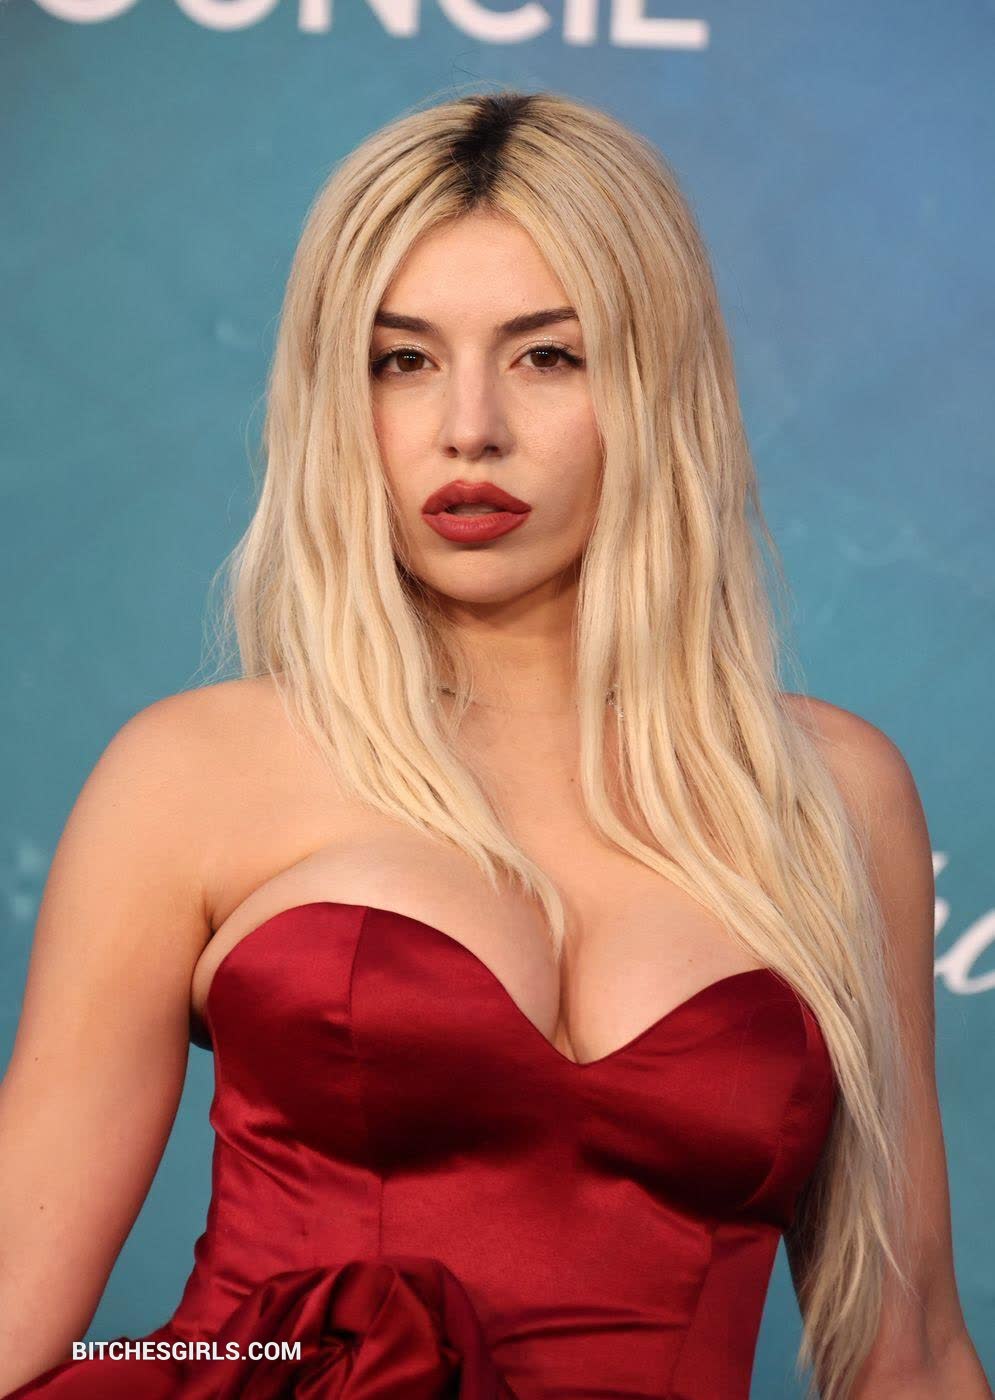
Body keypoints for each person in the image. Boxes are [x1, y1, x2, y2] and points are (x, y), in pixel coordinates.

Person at [0, 89, 987, 1400]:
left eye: (548, 356)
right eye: (402, 361)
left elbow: (905, 1353)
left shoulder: (831, 796)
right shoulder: (195, 774)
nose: (470, 427)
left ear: (656, 387)